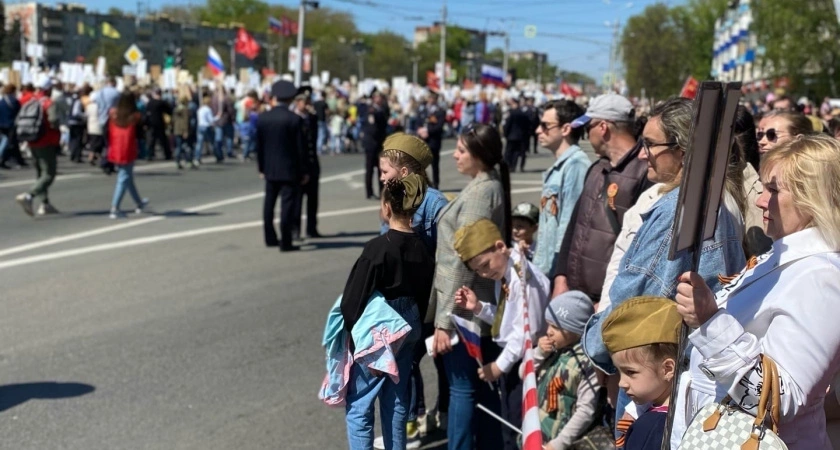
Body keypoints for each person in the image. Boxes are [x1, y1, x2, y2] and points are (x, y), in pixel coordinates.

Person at [582, 97, 747, 442]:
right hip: (682, 384)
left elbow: (633, 307)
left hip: (658, 389)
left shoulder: (677, 210)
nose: (643, 154)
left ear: (684, 151)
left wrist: (595, 342)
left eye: (651, 144)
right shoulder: (715, 203)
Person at [672, 134, 840, 449]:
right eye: (763, 188)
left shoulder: (822, 277)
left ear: (812, 197)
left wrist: (710, 322)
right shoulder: (782, 255)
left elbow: (779, 399)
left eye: (774, 190)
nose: (761, 200)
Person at [430, 122, 511, 450]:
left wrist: (444, 322)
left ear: (479, 155)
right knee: (481, 387)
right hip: (475, 305)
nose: (454, 155)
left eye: (462, 150)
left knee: (462, 387)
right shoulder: (484, 184)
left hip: (466, 308)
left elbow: (466, 260)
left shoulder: (480, 192)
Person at [342, 175, 435, 450]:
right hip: (409, 326)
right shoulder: (424, 247)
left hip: (379, 329)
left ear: (386, 207)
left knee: (361, 402)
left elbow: (353, 300)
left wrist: (350, 332)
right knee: (396, 399)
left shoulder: (378, 248)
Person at [374, 133, 449, 449]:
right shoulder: (396, 195)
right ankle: (422, 419)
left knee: (413, 360)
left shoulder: (434, 204)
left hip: (423, 300)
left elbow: (445, 257)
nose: (380, 177)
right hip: (401, 297)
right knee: (409, 361)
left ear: (405, 171)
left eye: (385, 171)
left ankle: (415, 423)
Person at [452, 218, 550, 450]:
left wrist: (499, 366)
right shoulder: (505, 274)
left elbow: (529, 330)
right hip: (516, 360)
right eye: (478, 271)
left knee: (520, 430)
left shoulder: (522, 277)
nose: (484, 274)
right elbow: (508, 319)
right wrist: (479, 308)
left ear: (499, 246)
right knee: (510, 425)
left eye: (485, 265)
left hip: (531, 362)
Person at [551, 93, 651, 305]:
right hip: (573, 294)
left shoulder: (645, 173)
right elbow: (574, 225)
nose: (587, 136)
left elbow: (641, 248)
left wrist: (609, 300)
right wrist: (561, 277)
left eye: (589, 128)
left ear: (603, 127)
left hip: (607, 300)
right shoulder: (597, 168)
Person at [601, 297, 680, 450]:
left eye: (630, 372)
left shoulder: (652, 428)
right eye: (620, 372)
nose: (621, 383)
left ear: (668, 369)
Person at [534, 291, 600, 450]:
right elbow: (523, 374)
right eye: (549, 324)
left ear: (576, 330)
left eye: (556, 327)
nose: (549, 331)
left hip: (559, 442)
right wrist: (538, 354)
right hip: (537, 432)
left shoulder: (587, 364)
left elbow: (586, 410)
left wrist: (558, 444)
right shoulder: (550, 349)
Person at [533, 99, 591, 277]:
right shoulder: (564, 165)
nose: (538, 130)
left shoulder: (576, 165)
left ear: (565, 129)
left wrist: (560, 275)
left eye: (545, 125)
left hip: (555, 269)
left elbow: (568, 228)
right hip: (546, 265)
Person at [256, 81, 310, 252]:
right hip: (289, 169)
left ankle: (270, 237)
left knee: (269, 205)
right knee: (287, 206)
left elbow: (260, 146)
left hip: (270, 168)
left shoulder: (263, 118)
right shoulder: (294, 119)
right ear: (291, 99)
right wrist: (304, 171)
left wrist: (261, 167)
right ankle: (285, 241)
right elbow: (300, 149)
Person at [15, 79, 62, 217]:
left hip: (32, 139)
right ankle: (29, 195)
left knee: (40, 172)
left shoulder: (29, 100)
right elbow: (53, 121)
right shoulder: (48, 102)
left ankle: (45, 204)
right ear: (48, 89)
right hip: (46, 141)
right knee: (49, 173)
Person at [107, 92, 149, 219]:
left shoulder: (113, 115)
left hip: (116, 147)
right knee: (124, 177)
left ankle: (139, 203)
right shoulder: (133, 116)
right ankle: (115, 207)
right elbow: (142, 125)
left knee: (128, 178)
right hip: (128, 148)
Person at [292, 90, 322, 239]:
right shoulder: (293, 119)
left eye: (307, 101)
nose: (306, 104)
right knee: (297, 201)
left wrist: (313, 114)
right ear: (297, 102)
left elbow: (315, 134)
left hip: (312, 163)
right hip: (299, 165)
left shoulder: (311, 118)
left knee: (313, 199)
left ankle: (312, 228)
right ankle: (295, 230)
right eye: (304, 101)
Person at [361, 92, 388, 200]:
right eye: (377, 98)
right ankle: (369, 192)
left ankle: (382, 191)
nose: (379, 100)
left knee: (381, 169)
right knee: (370, 168)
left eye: (381, 98)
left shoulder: (383, 109)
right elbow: (372, 128)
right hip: (372, 143)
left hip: (380, 143)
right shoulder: (371, 110)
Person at [418, 91, 446, 188]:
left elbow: (439, 126)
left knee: (434, 164)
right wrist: (420, 130)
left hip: (434, 140)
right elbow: (418, 121)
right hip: (423, 140)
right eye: (429, 98)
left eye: (433, 98)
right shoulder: (423, 109)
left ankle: (435, 184)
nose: (431, 100)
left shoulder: (440, 111)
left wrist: (428, 130)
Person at [502, 97, 531, 172]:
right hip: (521, 136)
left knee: (509, 151)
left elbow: (507, 125)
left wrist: (505, 133)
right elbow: (527, 125)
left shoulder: (511, 113)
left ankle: (509, 165)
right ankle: (514, 166)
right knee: (516, 152)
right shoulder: (523, 114)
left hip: (511, 136)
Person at [145, 88, 173, 161]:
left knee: (151, 140)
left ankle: (150, 155)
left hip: (151, 123)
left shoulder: (150, 103)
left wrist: (146, 123)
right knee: (163, 139)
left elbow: (146, 113)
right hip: (159, 122)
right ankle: (168, 154)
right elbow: (169, 111)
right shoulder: (162, 102)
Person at [0, 83, 23, 169]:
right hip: (11, 124)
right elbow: (19, 111)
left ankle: (19, 159)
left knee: (10, 142)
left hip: (2, 124)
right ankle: (3, 159)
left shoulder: (2, 100)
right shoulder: (14, 101)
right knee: (9, 143)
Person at [195, 96, 214, 166]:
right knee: (212, 141)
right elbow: (211, 119)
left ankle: (197, 157)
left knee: (199, 143)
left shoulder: (200, 109)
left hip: (200, 126)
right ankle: (218, 155)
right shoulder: (208, 110)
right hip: (207, 126)